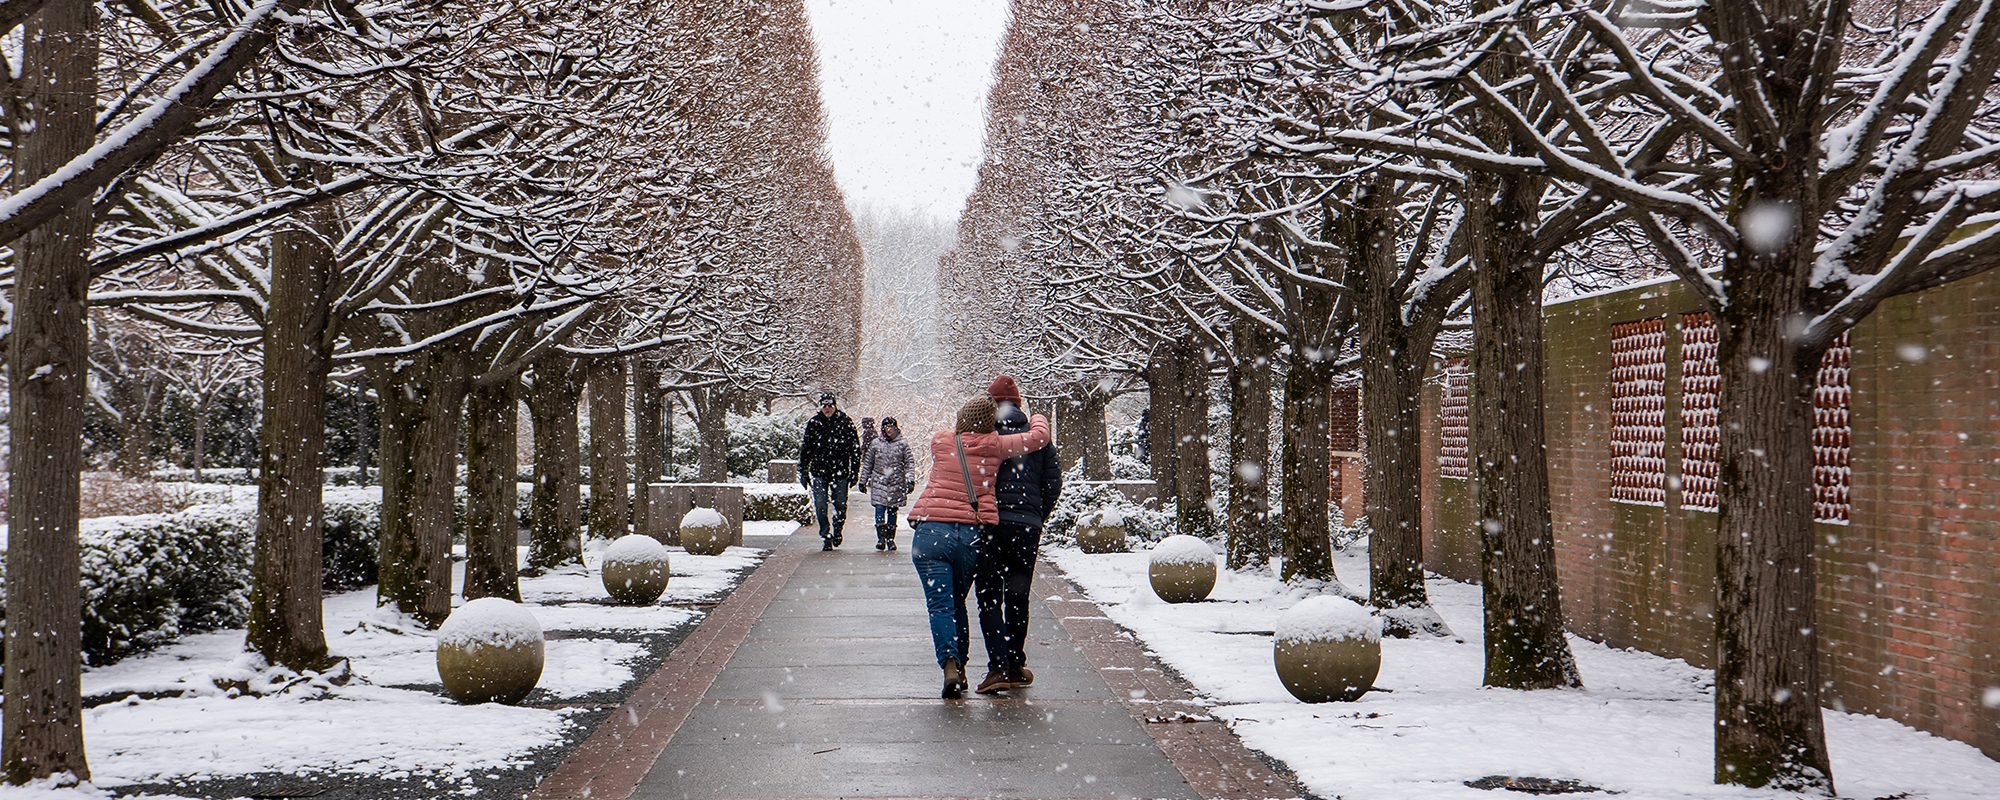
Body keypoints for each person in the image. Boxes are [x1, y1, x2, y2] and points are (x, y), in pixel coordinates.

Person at [907, 395, 1050, 698]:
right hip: (969, 535)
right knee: (958, 601)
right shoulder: (995, 445)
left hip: (931, 530)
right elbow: (1039, 438)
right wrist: (1038, 415)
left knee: (941, 605)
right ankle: (968, 664)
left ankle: (952, 664)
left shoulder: (940, 440)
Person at [974, 375, 1061, 694]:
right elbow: (1053, 482)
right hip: (1027, 527)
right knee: (1018, 594)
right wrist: (1036, 515)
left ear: (990, 402)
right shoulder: (1039, 438)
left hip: (991, 525)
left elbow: (972, 477)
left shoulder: (983, 433)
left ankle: (997, 666)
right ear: (1019, 404)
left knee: (988, 595)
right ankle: (1015, 661)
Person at [798, 392, 860, 551]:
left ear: (835, 405)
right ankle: (825, 535)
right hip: (819, 471)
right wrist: (804, 469)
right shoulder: (814, 423)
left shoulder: (845, 422)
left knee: (841, 505)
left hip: (840, 471)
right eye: (824, 405)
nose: (827, 408)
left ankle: (838, 529)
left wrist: (855, 470)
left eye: (830, 405)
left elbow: (855, 448)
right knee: (820, 505)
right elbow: (806, 448)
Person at [858, 416, 914, 551]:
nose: (889, 430)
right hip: (879, 481)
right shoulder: (876, 444)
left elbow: (909, 463)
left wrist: (910, 479)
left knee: (893, 511)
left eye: (891, 427)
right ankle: (881, 538)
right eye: (887, 427)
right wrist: (862, 481)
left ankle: (891, 539)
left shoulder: (902, 444)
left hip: (896, 482)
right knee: (880, 509)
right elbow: (868, 463)